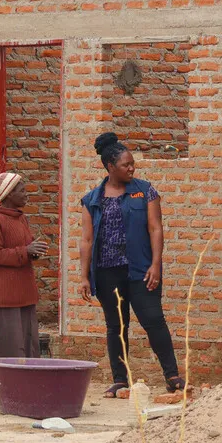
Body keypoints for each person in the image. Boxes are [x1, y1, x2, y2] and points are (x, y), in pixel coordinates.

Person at [79, 133, 185, 398]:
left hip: (140, 269)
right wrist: (83, 277)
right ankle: (120, 380)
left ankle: (172, 376)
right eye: (125, 165)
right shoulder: (92, 199)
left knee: (154, 320)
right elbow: (87, 239)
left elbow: (155, 228)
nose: (131, 168)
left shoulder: (145, 191)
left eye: (132, 164)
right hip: (106, 272)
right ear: (109, 167)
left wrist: (156, 264)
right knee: (116, 326)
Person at [0, 172, 47, 404]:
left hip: (24, 292)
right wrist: (24, 252)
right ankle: (1, 391)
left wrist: (33, 251)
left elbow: (24, 247)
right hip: (5, 295)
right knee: (7, 344)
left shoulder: (21, 219)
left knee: (27, 343)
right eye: (21, 191)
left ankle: (26, 388)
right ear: (8, 195)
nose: (26, 195)